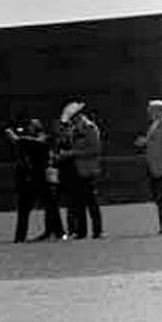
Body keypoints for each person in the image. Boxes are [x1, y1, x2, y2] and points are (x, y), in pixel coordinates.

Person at [3, 117, 60, 242]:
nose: (29, 126)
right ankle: (20, 237)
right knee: (24, 208)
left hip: (42, 178)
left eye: (32, 124)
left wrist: (17, 138)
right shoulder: (27, 141)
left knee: (50, 206)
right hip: (28, 178)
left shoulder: (44, 137)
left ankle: (56, 232)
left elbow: (35, 143)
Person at [135, 98, 162, 233]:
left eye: (151, 109)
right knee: (158, 198)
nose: (149, 112)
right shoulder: (153, 125)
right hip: (153, 167)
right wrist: (145, 142)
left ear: (159, 111)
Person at [60, 101, 104, 240]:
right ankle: (81, 231)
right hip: (77, 170)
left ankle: (98, 231)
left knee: (91, 202)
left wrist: (74, 153)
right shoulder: (75, 130)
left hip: (88, 170)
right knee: (78, 202)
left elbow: (95, 149)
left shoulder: (90, 128)